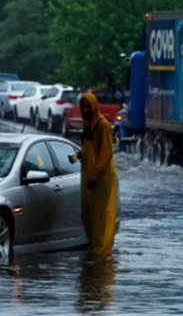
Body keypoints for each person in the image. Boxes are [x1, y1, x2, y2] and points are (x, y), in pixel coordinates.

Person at [74, 92, 117, 255]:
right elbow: (91, 148)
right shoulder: (88, 126)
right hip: (87, 175)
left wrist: (96, 174)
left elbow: (106, 152)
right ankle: (95, 247)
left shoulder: (102, 125)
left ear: (95, 107)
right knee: (88, 213)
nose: (85, 110)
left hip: (100, 178)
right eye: (82, 107)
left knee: (102, 214)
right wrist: (80, 154)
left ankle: (103, 252)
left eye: (88, 107)